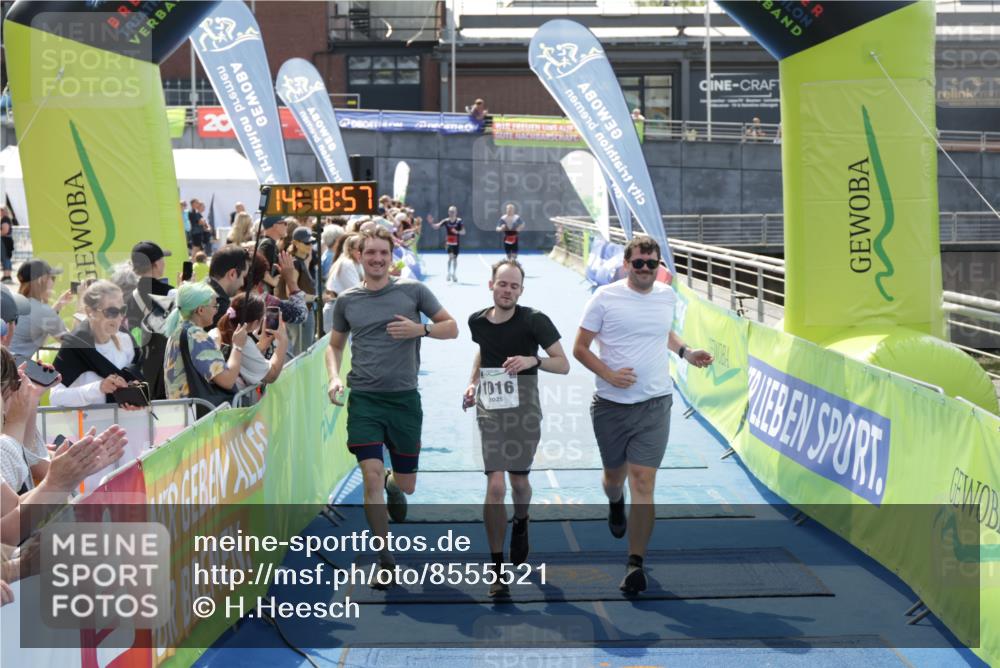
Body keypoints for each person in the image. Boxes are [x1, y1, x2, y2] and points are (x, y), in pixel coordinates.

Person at [572, 236, 713, 595]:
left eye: (652, 263)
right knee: (614, 479)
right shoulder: (604, 298)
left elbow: (664, 332)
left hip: (655, 403)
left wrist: (685, 351)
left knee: (643, 481)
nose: (646, 269)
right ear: (626, 265)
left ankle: (635, 564)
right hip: (611, 407)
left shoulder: (666, 296)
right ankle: (614, 501)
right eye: (639, 263)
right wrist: (609, 375)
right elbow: (580, 348)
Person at [326, 227, 458, 585]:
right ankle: (385, 560)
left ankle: (393, 481)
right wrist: (334, 377)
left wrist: (421, 330)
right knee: (369, 477)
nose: (377, 259)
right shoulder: (347, 301)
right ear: (359, 256)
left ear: (391, 256)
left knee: (407, 485)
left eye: (383, 253)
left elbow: (452, 327)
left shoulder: (413, 291)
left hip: (404, 400)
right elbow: (334, 345)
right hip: (365, 400)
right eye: (370, 253)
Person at [463, 260, 569, 597]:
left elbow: (563, 364)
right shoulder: (477, 321)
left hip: (524, 413)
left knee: (519, 483)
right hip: (490, 409)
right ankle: (497, 569)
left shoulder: (534, 320)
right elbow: (483, 352)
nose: (507, 290)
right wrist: (472, 383)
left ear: (521, 290)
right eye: (502, 284)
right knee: (496, 485)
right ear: (491, 285)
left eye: (514, 286)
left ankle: (521, 520)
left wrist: (532, 360)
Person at [50, 281, 144, 408]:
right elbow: (55, 397)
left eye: (123, 310)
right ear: (90, 312)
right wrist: (98, 388)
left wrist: (135, 393)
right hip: (90, 421)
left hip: (129, 419)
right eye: (112, 311)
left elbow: (136, 376)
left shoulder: (126, 340)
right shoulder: (75, 346)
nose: (119, 317)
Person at [163, 282, 248, 404]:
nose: (216, 310)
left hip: (181, 410)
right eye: (215, 306)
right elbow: (228, 380)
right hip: (198, 411)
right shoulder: (196, 336)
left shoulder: (178, 330)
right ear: (201, 310)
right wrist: (238, 347)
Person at [126, 241, 174, 400]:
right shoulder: (169, 293)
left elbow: (134, 333)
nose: (164, 263)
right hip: (169, 364)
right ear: (155, 264)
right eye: (162, 259)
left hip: (143, 366)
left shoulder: (130, 298)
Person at [212, 292, 288, 389]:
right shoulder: (243, 343)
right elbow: (271, 375)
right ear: (255, 323)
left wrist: (261, 346)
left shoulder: (216, 332)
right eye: (262, 319)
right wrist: (283, 341)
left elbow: (243, 358)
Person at [9, 259, 73, 360]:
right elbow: (72, 343)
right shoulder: (42, 311)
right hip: (14, 366)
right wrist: (83, 306)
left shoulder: (13, 300)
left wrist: (58, 305)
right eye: (52, 278)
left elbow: (37, 319)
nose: (53, 283)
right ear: (41, 280)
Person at [323, 233, 362, 333]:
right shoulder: (347, 263)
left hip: (342, 309)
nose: (361, 252)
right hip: (336, 310)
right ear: (350, 249)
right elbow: (357, 290)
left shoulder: (355, 263)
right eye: (359, 249)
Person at [206, 244, 250, 330]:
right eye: (243, 277)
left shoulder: (200, 288)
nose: (242, 283)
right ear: (232, 274)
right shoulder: (220, 307)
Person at [431, 206, 465, 283]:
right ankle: (449, 273)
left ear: (456, 212)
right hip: (449, 242)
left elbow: (463, 232)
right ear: (448, 212)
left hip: (456, 243)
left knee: (455, 259)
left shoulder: (459, 221)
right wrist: (432, 223)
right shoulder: (446, 221)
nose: (451, 213)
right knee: (450, 257)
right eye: (450, 212)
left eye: (453, 212)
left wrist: (457, 232)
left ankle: (454, 274)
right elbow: (436, 226)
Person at [256, 216, 288, 293]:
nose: (286, 226)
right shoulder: (268, 244)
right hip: (263, 295)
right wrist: (272, 281)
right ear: (275, 226)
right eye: (284, 223)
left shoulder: (267, 242)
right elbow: (258, 267)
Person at [0, 207, 15, 284]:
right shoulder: (7, 219)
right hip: (7, 240)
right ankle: (7, 275)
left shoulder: (5, 219)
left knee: (5, 258)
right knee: (7, 258)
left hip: (5, 241)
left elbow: (5, 231)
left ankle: (7, 276)